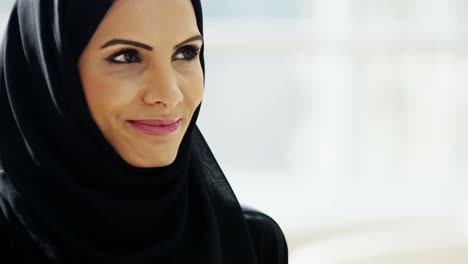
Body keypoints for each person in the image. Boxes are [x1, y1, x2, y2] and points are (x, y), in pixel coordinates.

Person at [0, 0, 288, 263]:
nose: (169, 93)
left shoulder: (252, 243)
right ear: (52, 74)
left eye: (186, 52)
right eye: (126, 57)